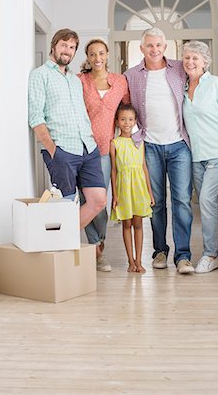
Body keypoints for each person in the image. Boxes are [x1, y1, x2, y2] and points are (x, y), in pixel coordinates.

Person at [124, 27, 194, 274]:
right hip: (149, 146)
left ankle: (183, 256)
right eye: (149, 45)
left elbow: (199, 88)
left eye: (158, 45)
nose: (154, 50)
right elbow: (123, 109)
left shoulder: (179, 69)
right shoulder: (131, 75)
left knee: (182, 201)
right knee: (156, 203)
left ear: (166, 47)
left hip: (179, 145)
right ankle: (160, 251)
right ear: (142, 48)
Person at [28, 28, 107, 231]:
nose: (68, 51)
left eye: (72, 47)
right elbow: (36, 116)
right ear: (53, 46)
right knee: (66, 203)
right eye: (64, 45)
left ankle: (64, 238)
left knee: (98, 200)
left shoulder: (75, 80)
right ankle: (62, 250)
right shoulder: (40, 75)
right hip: (62, 150)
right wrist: (54, 150)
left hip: (87, 148)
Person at [182, 40, 218, 273]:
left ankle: (210, 254)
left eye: (195, 58)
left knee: (206, 200)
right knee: (210, 204)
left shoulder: (216, 84)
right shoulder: (183, 87)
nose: (190, 62)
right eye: (187, 57)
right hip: (196, 156)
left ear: (205, 62)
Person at [78, 37, 130, 271]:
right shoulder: (79, 81)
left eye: (101, 53)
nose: (97, 58)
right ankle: (94, 250)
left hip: (104, 149)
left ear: (107, 55)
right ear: (87, 58)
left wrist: (128, 137)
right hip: (80, 148)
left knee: (100, 201)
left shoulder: (120, 82)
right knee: (86, 200)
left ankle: (100, 243)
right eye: (92, 54)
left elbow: (127, 110)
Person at [110, 104, 155, 273]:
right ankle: (130, 261)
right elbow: (113, 171)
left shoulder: (139, 142)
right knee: (126, 225)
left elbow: (144, 168)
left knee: (138, 225)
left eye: (130, 119)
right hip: (123, 190)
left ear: (135, 121)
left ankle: (139, 260)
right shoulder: (114, 144)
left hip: (139, 189)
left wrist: (150, 193)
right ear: (117, 122)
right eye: (123, 119)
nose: (126, 123)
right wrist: (114, 195)